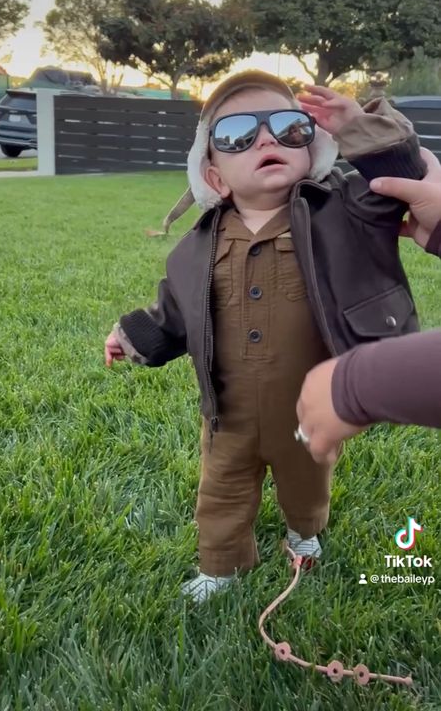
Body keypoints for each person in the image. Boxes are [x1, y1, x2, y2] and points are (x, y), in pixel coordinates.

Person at [104, 70, 426, 603]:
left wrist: (360, 127)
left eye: (288, 127)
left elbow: (402, 176)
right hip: (226, 412)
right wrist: (132, 334)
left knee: (306, 483)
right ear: (215, 177)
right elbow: (175, 313)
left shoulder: (345, 210)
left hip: (310, 406)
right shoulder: (193, 250)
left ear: (315, 151)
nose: (267, 139)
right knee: (221, 490)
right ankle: (222, 568)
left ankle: (304, 534)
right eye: (237, 135)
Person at [296, 153, 441, 466]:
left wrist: (357, 384)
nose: (266, 138)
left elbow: (399, 170)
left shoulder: (340, 199)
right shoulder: (203, 242)